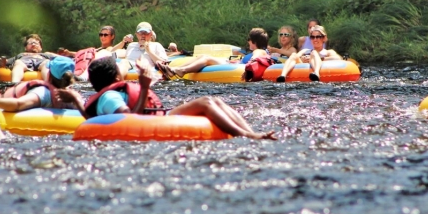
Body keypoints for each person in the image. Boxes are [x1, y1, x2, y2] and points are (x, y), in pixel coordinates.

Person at [59, 57, 276, 140]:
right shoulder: (110, 97)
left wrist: (77, 101)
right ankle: (248, 135)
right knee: (207, 102)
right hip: (154, 122)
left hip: (157, 117)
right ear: (116, 77)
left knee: (214, 101)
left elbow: (89, 114)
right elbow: (131, 120)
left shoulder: (108, 95)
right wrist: (143, 88)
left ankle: (249, 132)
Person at [159, 28, 271, 82]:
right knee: (202, 57)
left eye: (249, 40)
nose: (248, 42)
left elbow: (255, 57)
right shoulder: (262, 50)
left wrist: (248, 68)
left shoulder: (260, 51)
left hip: (236, 67)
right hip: (234, 63)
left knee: (206, 58)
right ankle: (176, 70)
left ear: (254, 42)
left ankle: (181, 71)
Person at [0, 56, 84, 112]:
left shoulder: (42, 93)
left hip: (2, 98)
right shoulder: (74, 96)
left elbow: (18, 104)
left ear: (49, 74)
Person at [276, 25, 341, 82]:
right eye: (312, 37)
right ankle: (283, 75)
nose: (315, 39)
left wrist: (321, 58)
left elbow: (338, 58)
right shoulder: (305, 51)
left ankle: (316, 73)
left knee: (314, 53)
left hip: (319, 68)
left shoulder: (328, 52)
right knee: (293, 55)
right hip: (302, 70)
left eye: (318, 37)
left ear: (324, 38)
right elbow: (294, 57)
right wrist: (302, 59)